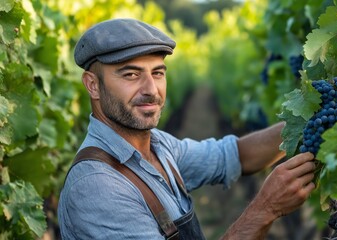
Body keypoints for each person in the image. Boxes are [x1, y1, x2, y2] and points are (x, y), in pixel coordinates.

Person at [57, 18, 316, 240]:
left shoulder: (158, 146)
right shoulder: (98, 187)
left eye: (157, 73)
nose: (150, 89)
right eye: (131, 75)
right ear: (92, 85)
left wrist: (310, 122)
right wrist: (265, 208)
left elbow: (234, 154)